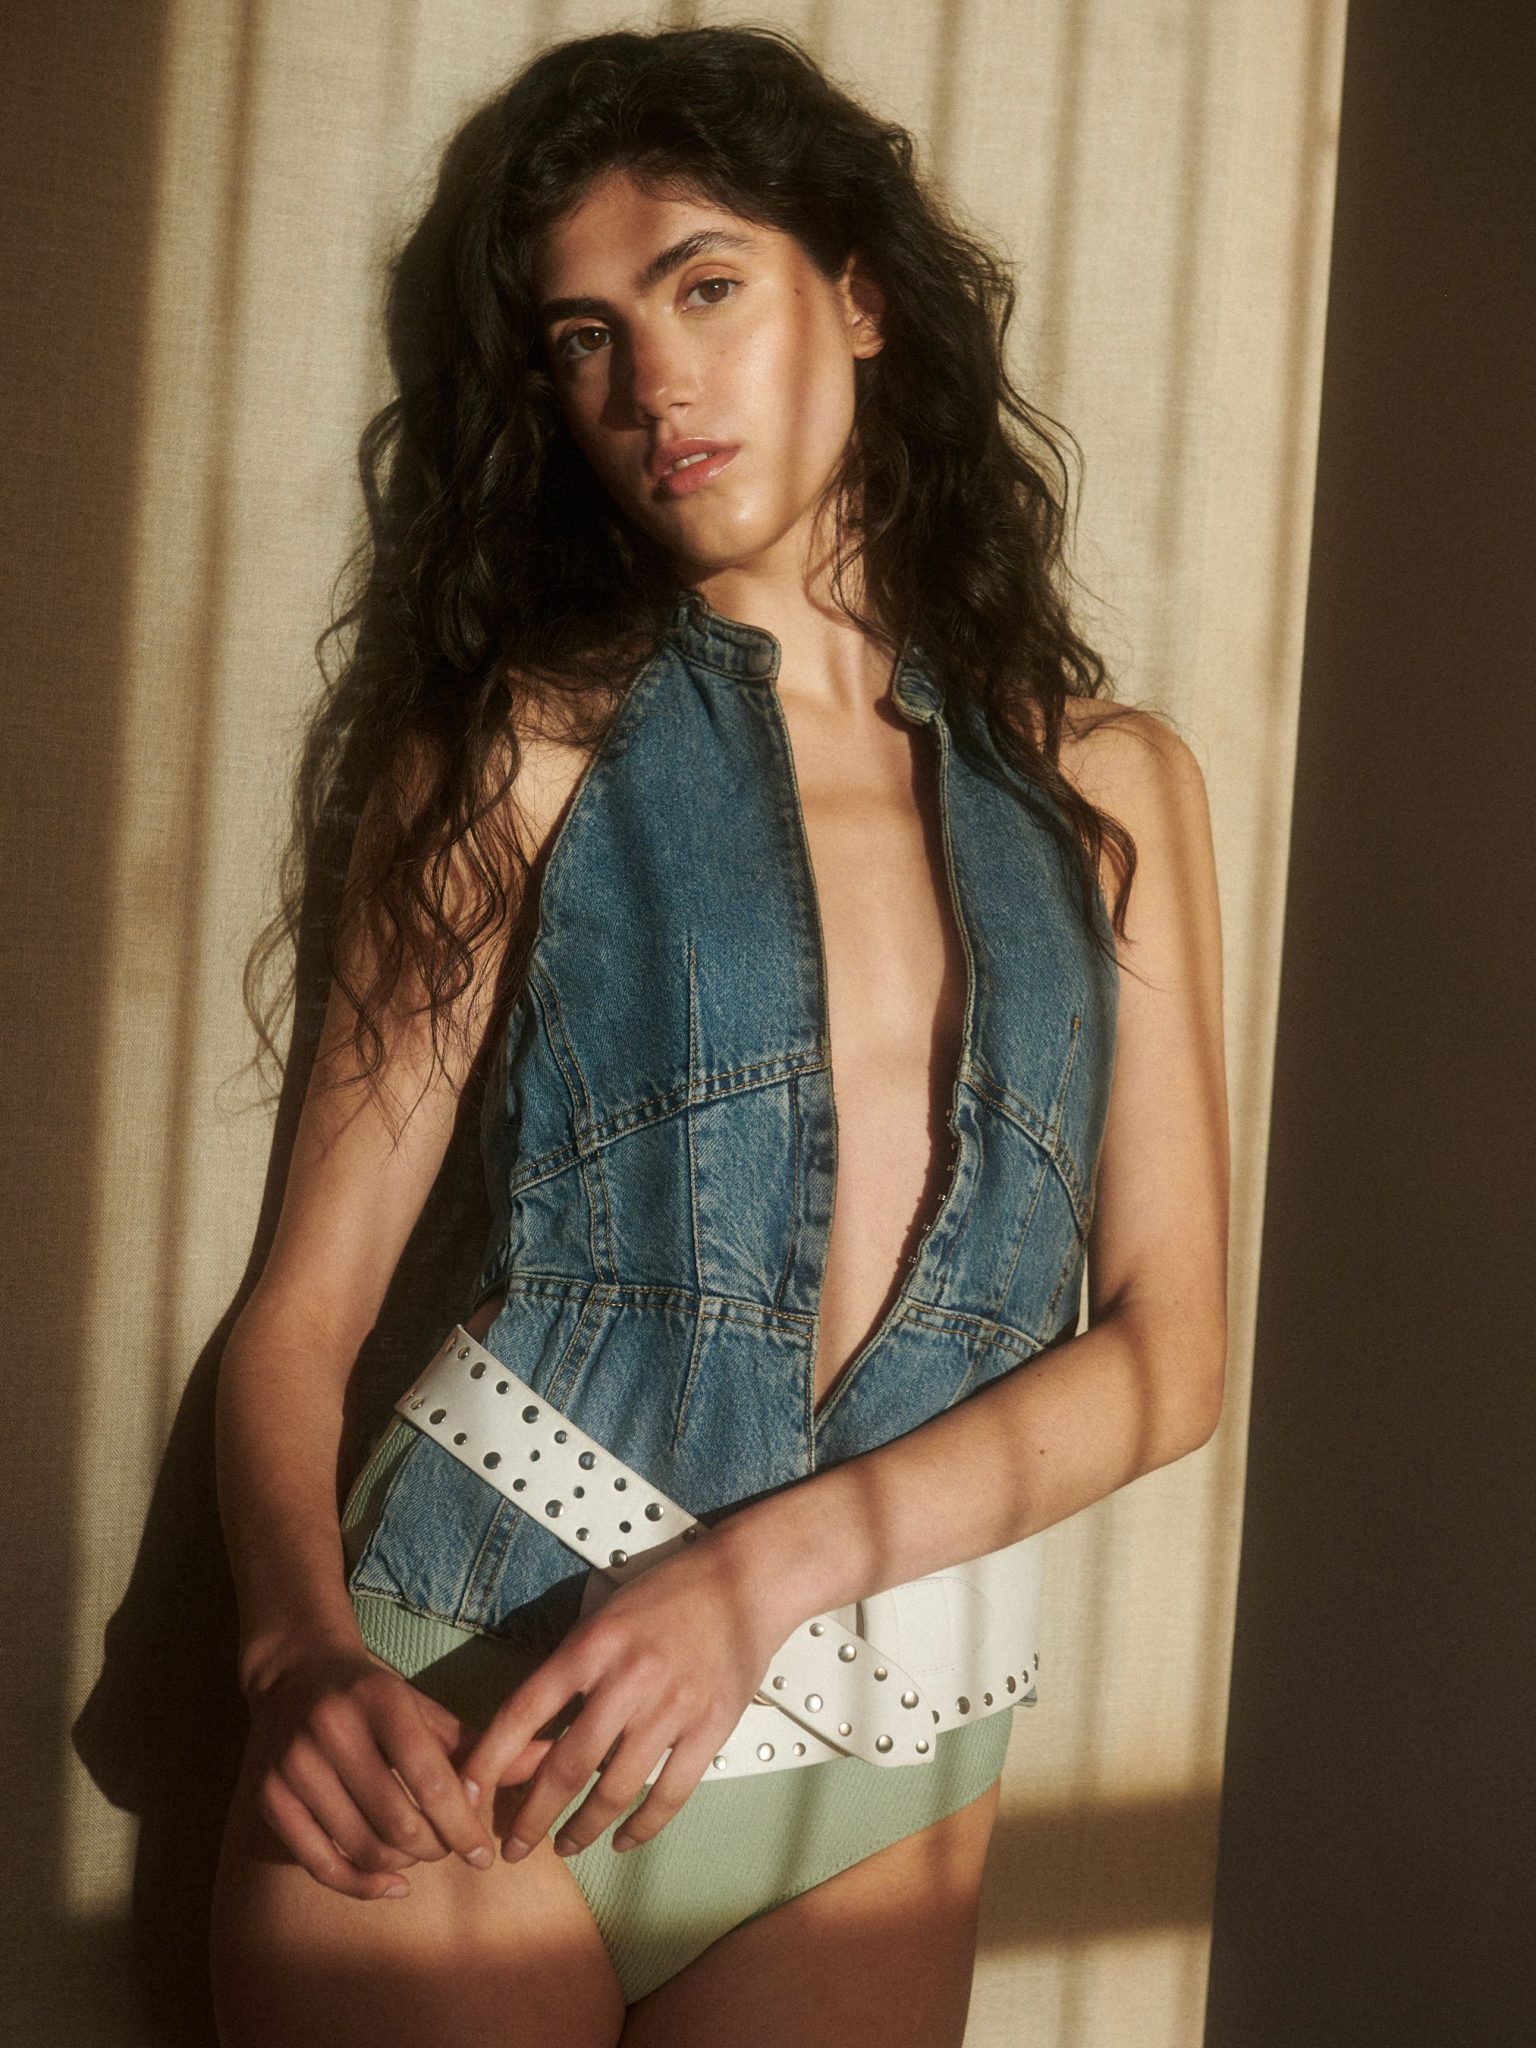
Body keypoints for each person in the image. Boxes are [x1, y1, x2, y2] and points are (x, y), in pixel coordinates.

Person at [208, 22, 1228, 2048]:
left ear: (859, 295)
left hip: (882, 1751)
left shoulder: (1108, 790)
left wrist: (762, 1577)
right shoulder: (520, 748)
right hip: (474, 1688)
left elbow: (1172, 1354)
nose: (650, 386)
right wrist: (293, 1659)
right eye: (584, 338)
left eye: (704, 286)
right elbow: (300, 1314)